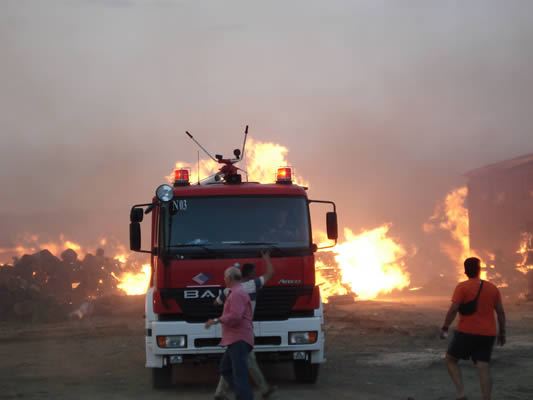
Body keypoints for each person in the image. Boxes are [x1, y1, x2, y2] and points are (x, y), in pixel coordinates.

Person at [440, 257, 506, 400]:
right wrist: (502, 333)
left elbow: (453, 310)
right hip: (488, 334)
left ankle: (461, 393)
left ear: (465, 271)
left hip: (466, 332)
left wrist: (445, 327)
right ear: (479, 270)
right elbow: (500, 312)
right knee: (483, 366)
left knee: (450, 359)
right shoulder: (492, 288)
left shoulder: (462, 287)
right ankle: (486, 398)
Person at [214, 251, 276, 399]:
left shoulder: (227, 290)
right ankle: (258, 390)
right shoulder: (252, 285)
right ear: (249, 275)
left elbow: (216, 302)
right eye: (254, 273)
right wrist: (266, 257)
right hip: (243, 332)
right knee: (243, 361)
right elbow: (271, 273)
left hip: (231, 332)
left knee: (232, 362)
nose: (256, 275)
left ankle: (221, 393)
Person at [205, 267, 254, 400]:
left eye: (225, 277)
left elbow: (235, 316)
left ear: (230, 278)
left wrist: (216, 320)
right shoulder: (235, 292)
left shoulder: (237, 294)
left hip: (239, 339)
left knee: (239, 374)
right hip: (234, 340)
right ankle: (242, 394)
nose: (224, 279)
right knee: (226, 369)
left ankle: (244, 396)